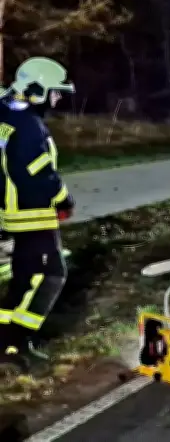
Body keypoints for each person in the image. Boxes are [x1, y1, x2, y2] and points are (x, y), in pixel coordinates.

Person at [0, 57, 75, 371]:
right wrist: (63, 199)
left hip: (11, 210)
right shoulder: (29, 126)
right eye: (54, 93)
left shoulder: (6, 112)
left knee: (23, 277)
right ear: (36, 90)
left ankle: (8, 338)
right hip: (30, 213)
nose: (57, 100)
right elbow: (39, 173)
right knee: (49, 274)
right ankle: (14, 344)